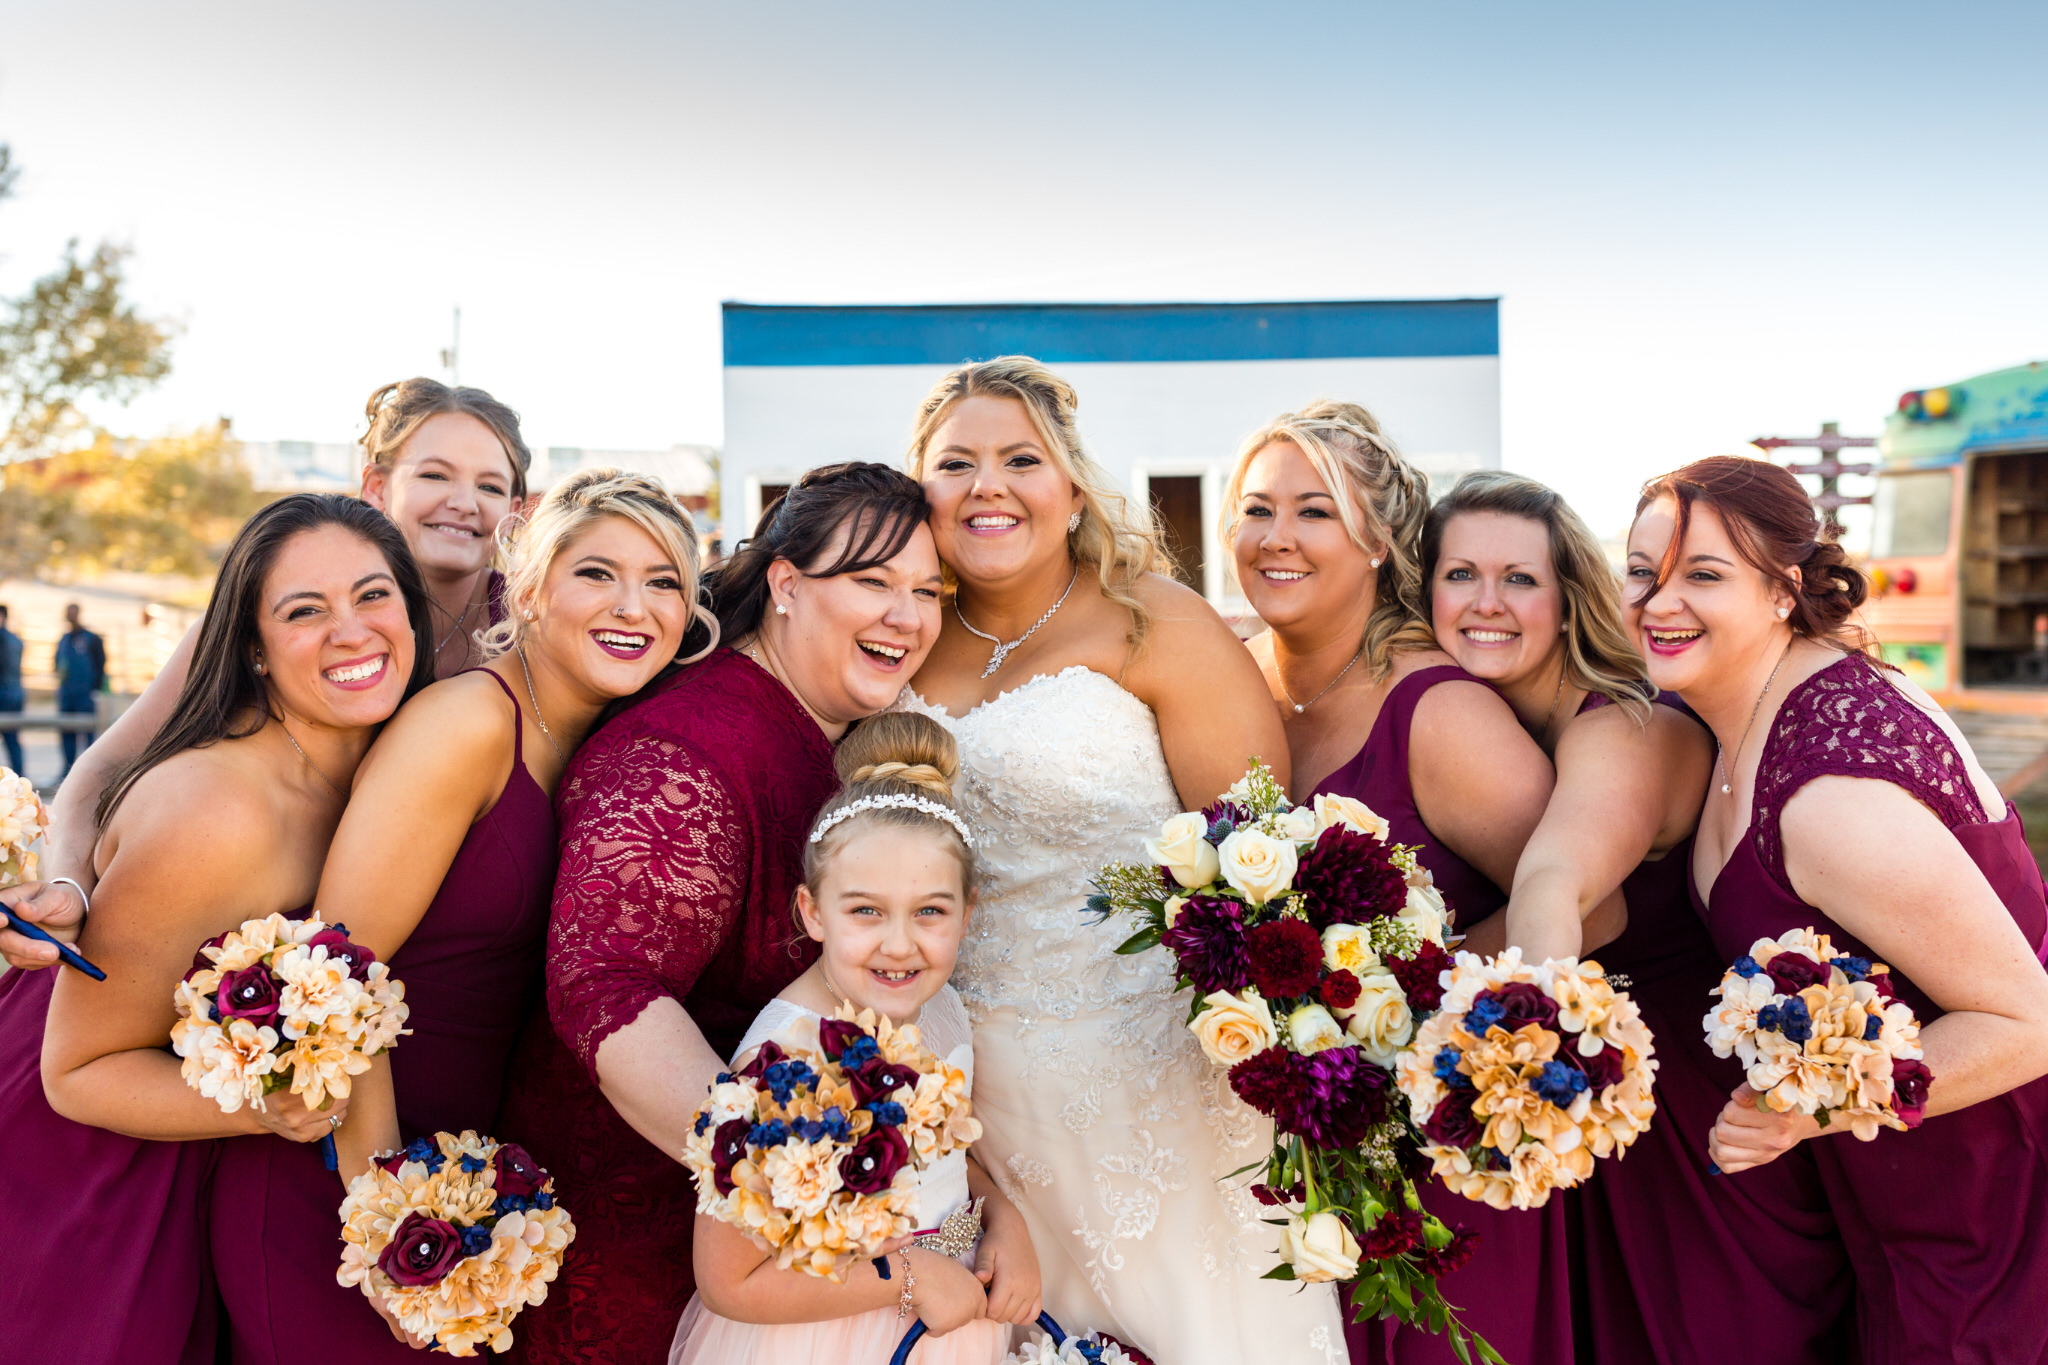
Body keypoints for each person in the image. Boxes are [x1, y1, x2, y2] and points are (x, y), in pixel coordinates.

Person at [503, 463, 1041, 1365]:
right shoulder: (686, 748)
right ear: (786, 584)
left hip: (834, 1269)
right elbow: (604, 990)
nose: (907, 617)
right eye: (872, 581)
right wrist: (796, 1183)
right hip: (662, 1255)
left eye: (926, 591)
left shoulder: (829, 734)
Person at [204, 471, 711, 1363]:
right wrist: (390, 1231)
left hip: (463, 1195)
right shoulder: (467, 723)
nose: (634, 604)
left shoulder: (603, 741)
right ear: (527, 584)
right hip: (338, 1184)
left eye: (665, 580)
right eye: (597, 572)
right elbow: (332, 981)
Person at [896, 358, 1345, 1361]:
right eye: (954, 463)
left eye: (1021, 459)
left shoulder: (1155, 623)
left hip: (1157, 1083)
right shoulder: (900, 636)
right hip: (965, 1085)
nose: (988, 486)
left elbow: (1258, 860)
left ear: (1070, 486)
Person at [1424, 470, 1853, 1363]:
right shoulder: (1483, 729)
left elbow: (1555, 882)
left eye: (1521, 578)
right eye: (1460, 573)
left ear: (1570, 593)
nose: (1486, 602)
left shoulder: (1625, 722)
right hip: (1604, 1104)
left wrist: (1523, 1048)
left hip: (1691, 1119)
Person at [1629, 455, 2048, 1365]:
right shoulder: (1733, 708)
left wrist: (1803, 1113)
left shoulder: (1829, 802)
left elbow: (2030, 1020)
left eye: (1703, 574)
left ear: (1783, 591)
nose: (1660, 602)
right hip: (1893, 1192)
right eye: (1641, 573)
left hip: (1994, 1200)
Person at [0, 494, 433, 1365]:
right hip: (88, 1163)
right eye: (304, 612)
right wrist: (267, 1106)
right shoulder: (218, 812)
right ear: (254, 652)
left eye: (373, 595)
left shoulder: (382, 761)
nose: (352, 630)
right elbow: (78, 1072)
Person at [1223, 403, 1559, 1365]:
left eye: (1315, 511)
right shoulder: (1237, 675)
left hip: (1439, 1152)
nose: (1276, 537)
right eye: (1256, 509)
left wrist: (1393, 1002)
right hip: (1295, 1144)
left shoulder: (1439, 710)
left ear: (1379, 543)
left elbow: (1594, 901)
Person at [1, 377, 531, 973]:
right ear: (377, 487)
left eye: (490, 485)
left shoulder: (535, 636)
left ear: (516, 512)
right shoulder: (262, 613)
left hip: (414, 990)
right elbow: (104, 765)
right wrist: (71, 885)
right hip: (216, 975)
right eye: (435, 475)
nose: (465, 501)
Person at [672, 712, 1029, 1365]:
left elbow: (945, 1152)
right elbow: (727, 1279)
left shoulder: (942, 1008)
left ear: (967, 913)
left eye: (930, 911)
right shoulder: (783, 1064)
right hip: (828, 1338)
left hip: (948, 1329)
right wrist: (912, 1277)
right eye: (865, 910)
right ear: (812, 910)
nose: (899, 944)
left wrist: (1005, 1217)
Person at [54, 601, 106, 774]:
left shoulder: (91, 639)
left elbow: (100, 665)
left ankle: (89, 772)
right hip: (67, 695)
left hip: (85, 695)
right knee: (67, 734)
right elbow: (57, 665)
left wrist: (94, 689)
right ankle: (67, 771)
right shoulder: (64, 640)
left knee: (87, 734)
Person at [0, 603, 23, 774]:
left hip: (5, 695)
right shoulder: (15, 640)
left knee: (12, 740)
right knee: (13, 741)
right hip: (14, 694)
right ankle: (18, 777)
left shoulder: (4, 640)